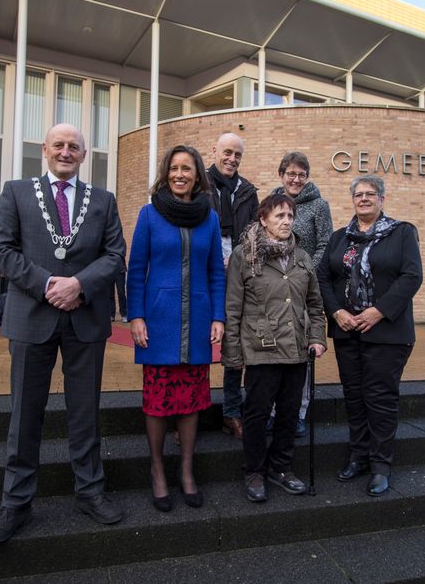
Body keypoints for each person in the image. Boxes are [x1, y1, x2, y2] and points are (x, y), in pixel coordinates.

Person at [0, 123, 127, 543]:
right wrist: (50, 285)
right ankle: (16, 503)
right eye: (59, 145)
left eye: (74, 147)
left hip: (85, 316)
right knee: (25, 413)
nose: (66, 151)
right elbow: (1, 251)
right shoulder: (16, 192)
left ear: (84, 155)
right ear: (45, 150)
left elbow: (115, 254)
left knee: (85, 413)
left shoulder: (102, 200)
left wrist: (78, 285)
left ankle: (90, 491)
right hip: (32, 315)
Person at [127, 145, 225, 512]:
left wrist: (218, 317)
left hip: (198, 320)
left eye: (187, 168)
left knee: (191, 402)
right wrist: (135, 315)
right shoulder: (149, 215)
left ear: (198, 174)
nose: (180, 174)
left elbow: (216, 270)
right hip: (159, 322)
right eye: (174, 168)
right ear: (166, 174)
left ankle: (186, 471)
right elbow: (136, 269)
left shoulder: (210, 219)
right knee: (157, 402)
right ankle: (157, 471)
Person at [316, 176, 423, 497]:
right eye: (358, 195)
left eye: (370, 194)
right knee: (354, 396)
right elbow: (322, 277)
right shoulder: (340, 239)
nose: (363, 199)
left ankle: (380, 465)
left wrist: (378, 311)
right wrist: (336, 312)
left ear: (382, 199)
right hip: (348, 332)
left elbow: (411, 276)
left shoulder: (402, 233)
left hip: (387, 333)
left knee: (380, 398)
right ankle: (358, 456)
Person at [223, 193, 326, 503]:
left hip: (296, 348)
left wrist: (318, 337)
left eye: (290, 216)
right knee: (255, 414)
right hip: (260, 348)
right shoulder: (245, 255)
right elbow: (233, 307)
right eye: (279, 216)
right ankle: (254, 470)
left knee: (289, 413)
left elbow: (315, 304)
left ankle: (280, 468)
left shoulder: (302, 257)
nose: (286, 221)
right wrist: (233, 355)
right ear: (263, 220)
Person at [267, 152, 332, 438]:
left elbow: (326, 245)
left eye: (301, 174)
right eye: (291, 173)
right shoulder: (271, 201)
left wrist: (303, 273)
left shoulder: (319, 205)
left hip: (303, 286)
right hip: (273, 286)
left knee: (301, 352)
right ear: (281, 174)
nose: (296, 179)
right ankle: (272, 411)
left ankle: (298, 413)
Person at [206, 131, 258, 439]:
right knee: (199, 345)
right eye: (227, 152)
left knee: (236, 346)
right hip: (205, 274)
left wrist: (239, 261)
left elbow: (254, 233)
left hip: (239, 278)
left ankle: (231, 411)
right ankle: (189, 413)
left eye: (237, 154)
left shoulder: (248, 190)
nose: (232, 159)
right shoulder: (200, 185)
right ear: (213, 150)